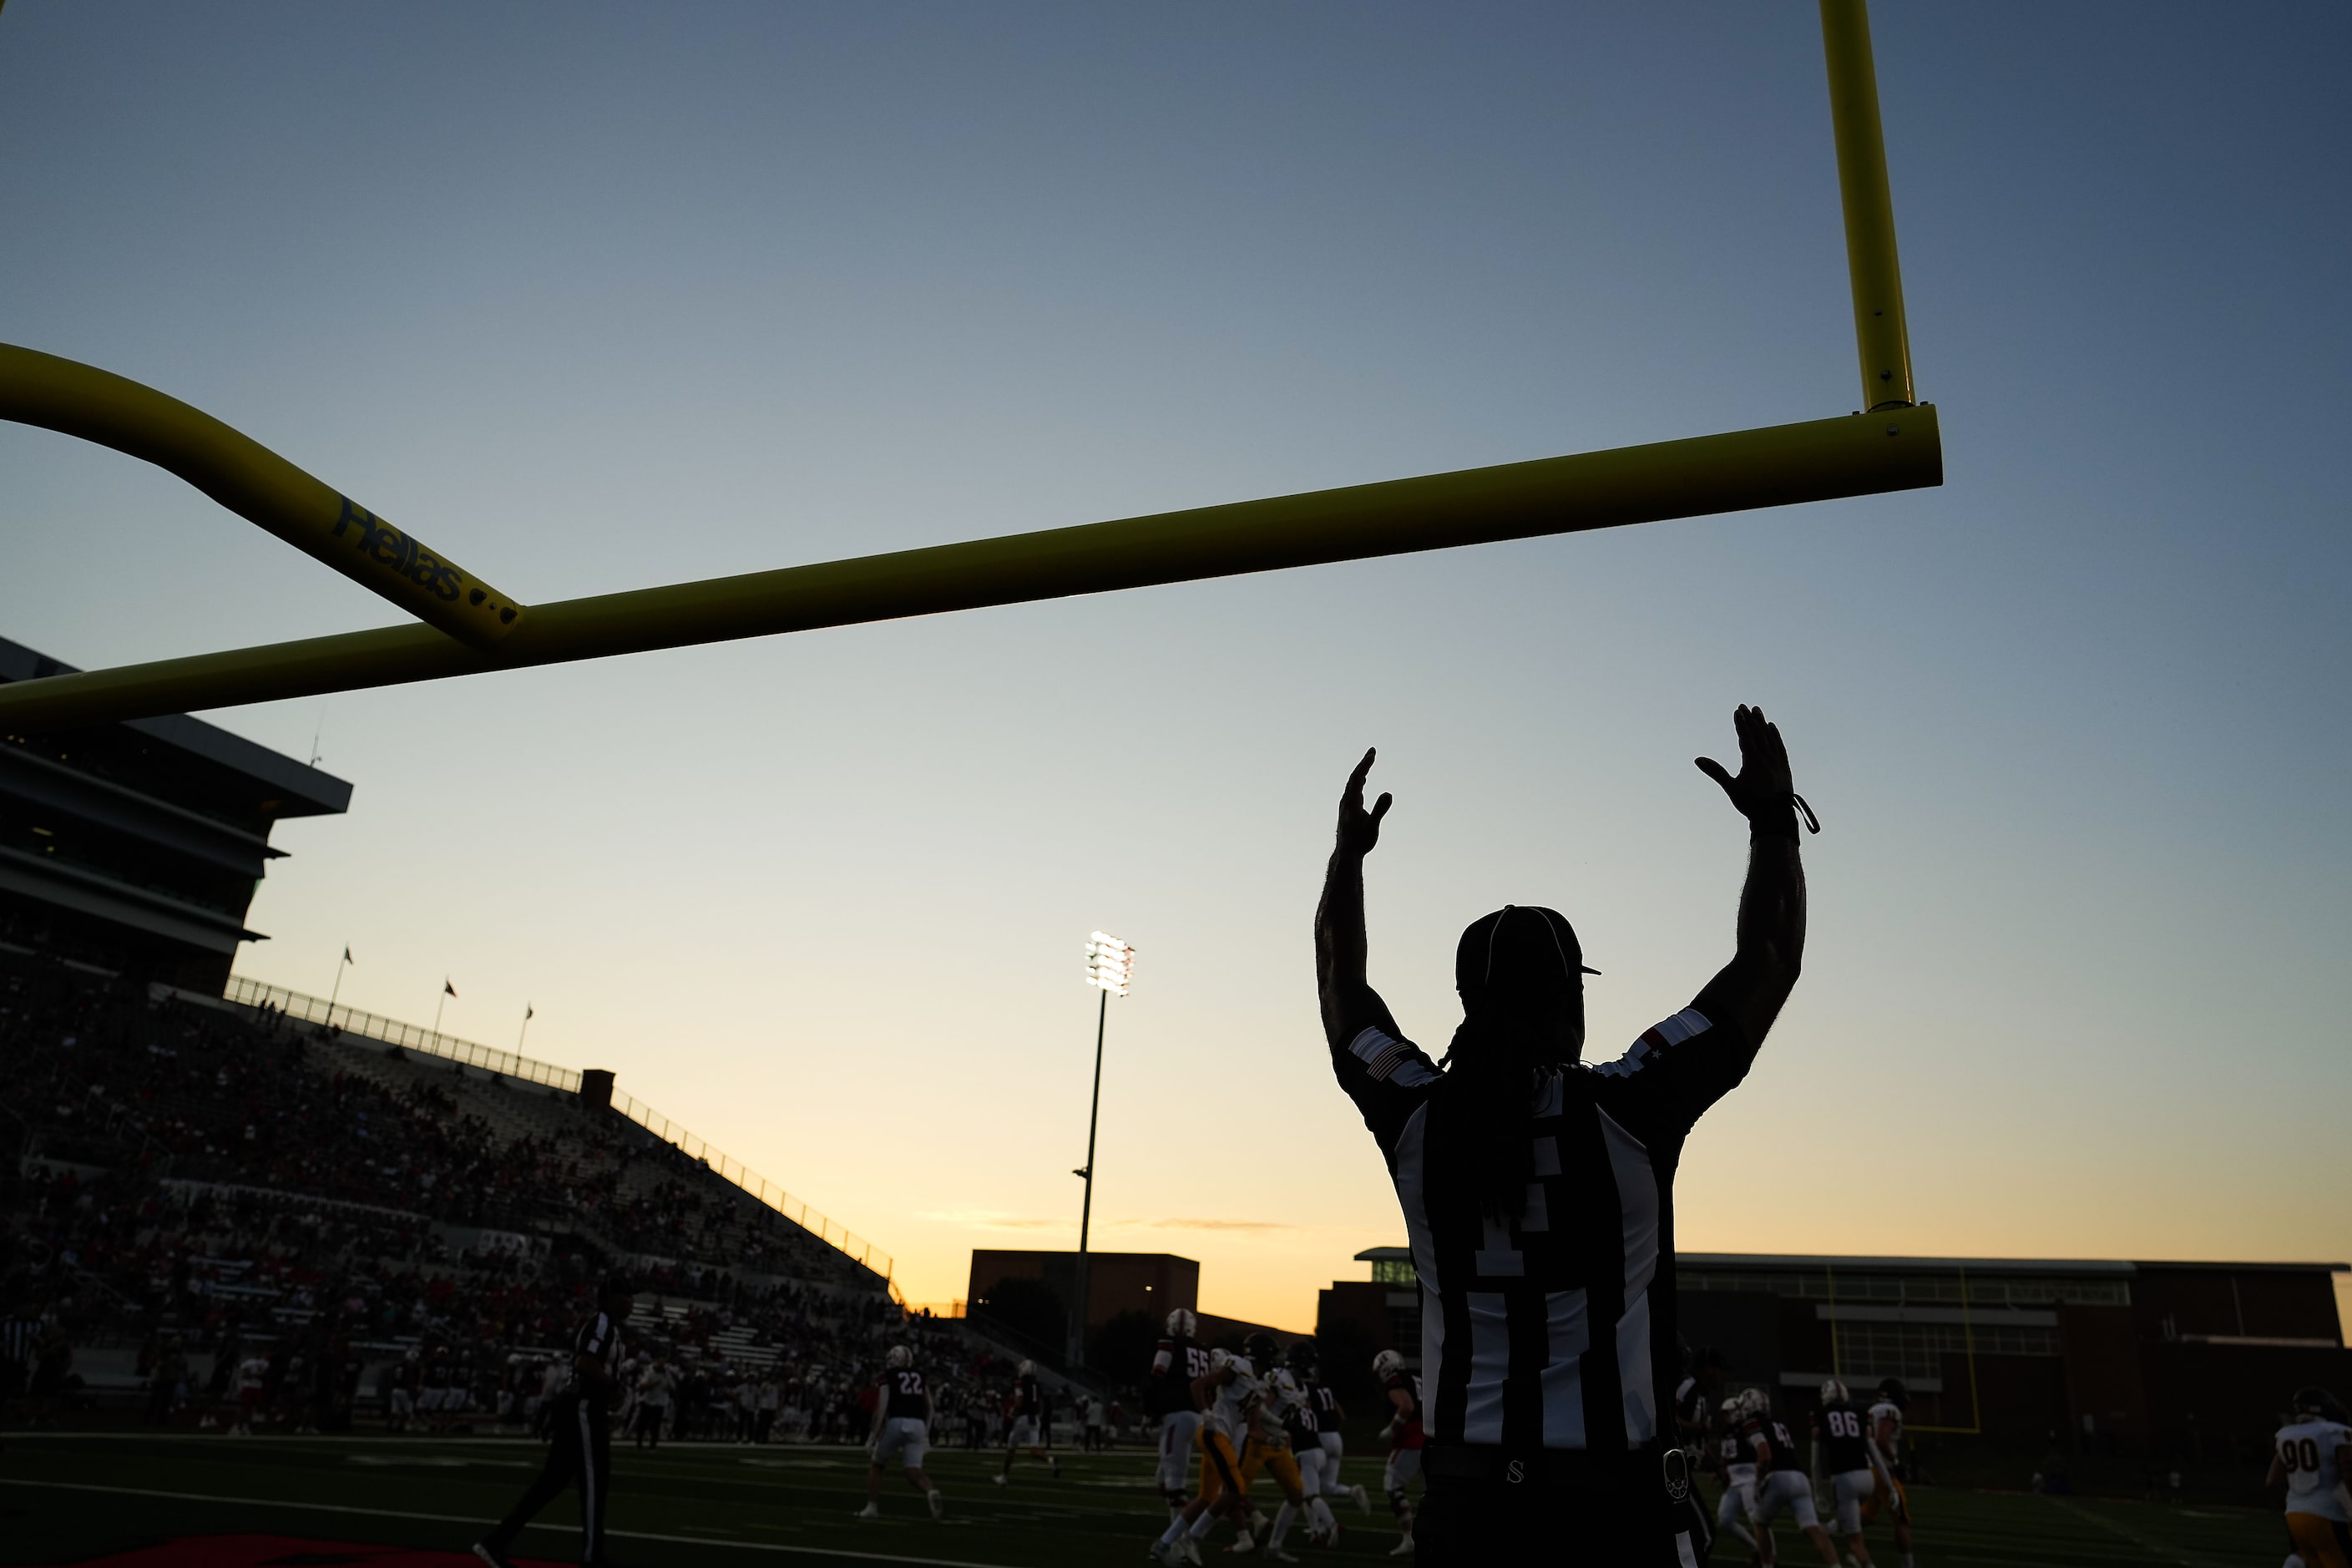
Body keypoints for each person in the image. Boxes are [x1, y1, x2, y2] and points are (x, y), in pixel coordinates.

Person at [1313, 707, 1811, 1564]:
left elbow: (1340, 984)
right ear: (1571, 1003)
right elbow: (1768, 961)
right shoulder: (1631, 1106)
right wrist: (1773, 823)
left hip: (1466, 1512)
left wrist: (1347, 860)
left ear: (1467, 1000)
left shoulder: (1416, 1116)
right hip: (1612, 1512)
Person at [473, 1276, 635, 1568]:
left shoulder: (610, 1328)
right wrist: (612, 1386)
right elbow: (585, 1362)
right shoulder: (601, 1324)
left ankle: (495, 1541)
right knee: (594, 1480)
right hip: (585, 1407)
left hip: (582, 1406)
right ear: (611, 1298)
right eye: (627, 1296)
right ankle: (592, 1554)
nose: (632, 1302)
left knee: (553, 1481)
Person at [1154, 1342, 1267, 1564]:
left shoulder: (1257, 1385)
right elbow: (1198, 1384)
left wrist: (1275, 1437)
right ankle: (1193, 1538)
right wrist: (1205, 1412)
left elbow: (1254, 1429)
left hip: (1223, 1436)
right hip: (1215, 1433)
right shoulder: (1238, 1367)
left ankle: (1164, 1543)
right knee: (1235, 1489)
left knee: (1207, 1496)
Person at [1741, 1386, 1839, 1567]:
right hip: (1800, 1478)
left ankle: (1767, 1565)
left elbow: (1765, 1455)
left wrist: (1757, 1483)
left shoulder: (1752, 1423)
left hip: (1778, 1477)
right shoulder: (1778, 1423)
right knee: (1814, 1528)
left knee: (1760, 1523)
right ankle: (1836, 1566)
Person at [857, 1344, 945, 1521]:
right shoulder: (920, 1376)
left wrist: (873, 1436)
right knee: (913, 1471)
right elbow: (930, 1407)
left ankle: (872, 1507)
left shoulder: (888, 1376)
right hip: (918, 1425)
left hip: (897, 1421)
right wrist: (926, 1434)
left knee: (877, 1465)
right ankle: (930, 1491)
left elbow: (882, 1407)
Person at [2268, 1385, 2351, 1568]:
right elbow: (2348, 1471)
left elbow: (2273, 1481)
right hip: (2329, 1515)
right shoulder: (2335, 1432)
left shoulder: (2287, 1435)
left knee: (2304, 1559)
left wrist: (2295, 1502)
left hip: (2295, 1516)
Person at [1149, 1308, 1211, 1521]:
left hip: (1178, 1415)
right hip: (1198, 1418)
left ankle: (1179, 1541)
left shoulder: (1169, 1345)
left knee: (1175, 1481)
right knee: (1163, 1478)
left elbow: (1156, 1377)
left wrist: (1150, 1411)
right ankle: (1179, 1533)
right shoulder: (1203, 1351)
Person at [1812, 1378, 1879, 1566]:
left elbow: (1816, 1463)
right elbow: (1873, 1451)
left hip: (1844, 1478)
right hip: (1868, 1477)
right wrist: (1888, 1483)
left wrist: (1817, 1492)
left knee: (1856, 1542)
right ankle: (1832, 1530)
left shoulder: (1820, 1415)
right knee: (1848, 1519)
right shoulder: (1860, 1414)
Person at [1303, 1346, 1373, 1525]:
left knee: (1310, 1488)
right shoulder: (1327, 1389)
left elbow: (1306, 1414)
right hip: (1335, 1437)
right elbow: (1341, 1415)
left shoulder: (1307, 1390)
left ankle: (1316, 1528)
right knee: (1329, 1485)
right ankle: (1351, 1491)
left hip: (1319, 1438)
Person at [1672, 1348, 1728, 1563]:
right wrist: (1698, 1427)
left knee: (1695, 1533)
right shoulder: (1688, 1387)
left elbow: (1700, 1442)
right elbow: (1670, 1419)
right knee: (1704, 1535)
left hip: (1683, 1470)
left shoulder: (1702, 1395)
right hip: (1675, 1470)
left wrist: (1717, 1466)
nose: (1722, 1375)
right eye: (1719, 1369)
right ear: (1709, 1370)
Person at [1374, 1348, 1425, 1557]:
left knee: (1392, 1486)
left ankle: (1409, 1537)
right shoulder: (1415, 1378)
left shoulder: (1395, 1380)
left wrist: (1391, 1429)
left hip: (1411, 1438)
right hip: (1428, 1437)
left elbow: (1406, 1406)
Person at [1864, 1378, 1916, 1568]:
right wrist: (1896, 1461)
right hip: (1881, 1471)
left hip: (1870, 1469)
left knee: (1864, 1518)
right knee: (1901, 1519)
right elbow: (1881, 1439)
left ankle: (1827, 1530)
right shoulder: (1890, 1411)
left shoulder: (1872, 1410)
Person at [1711, 1394, 1764, 1565]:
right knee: (1725, 1518)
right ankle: (1757, 1548)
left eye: (1727, 1413)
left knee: (1756, 1519)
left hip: (1749, 1478)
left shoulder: (1747, 1428)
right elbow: (1725, 1457)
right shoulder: (1727, 1433)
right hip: (1734, 1481)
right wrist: (1719, 1471)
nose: (1725, 1417)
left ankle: (1769, 1555)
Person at [993, 1359, 1059, 1484]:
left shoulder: (1019, 1383)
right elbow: (1039, 1403)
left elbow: (1019, 1400)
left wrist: (1013, 1411)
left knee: (1011, 1448)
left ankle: (1004, 1477)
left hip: (1023, 1419)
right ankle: (1050, 1459)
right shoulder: (1037, 1384)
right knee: (1034, 1450)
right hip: (1035, 1419)